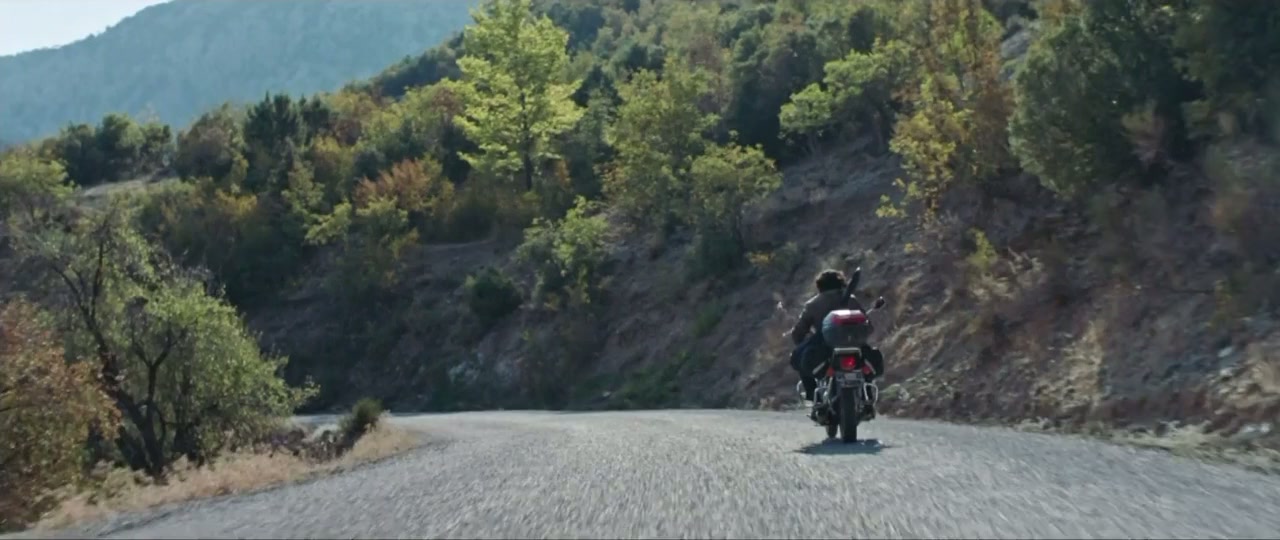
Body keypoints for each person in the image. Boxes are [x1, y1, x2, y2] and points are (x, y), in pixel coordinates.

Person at [787, 269, 885, 416]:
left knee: (798, 358)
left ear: (820, 286)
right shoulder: (852, 300)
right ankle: (868, 397)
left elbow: (799, 331)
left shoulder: (813, 304)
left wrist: (800, 340)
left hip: (825, 346)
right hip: (854, 343)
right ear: (841, 283)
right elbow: (868, 327)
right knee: (866, 364)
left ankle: (813, 397)